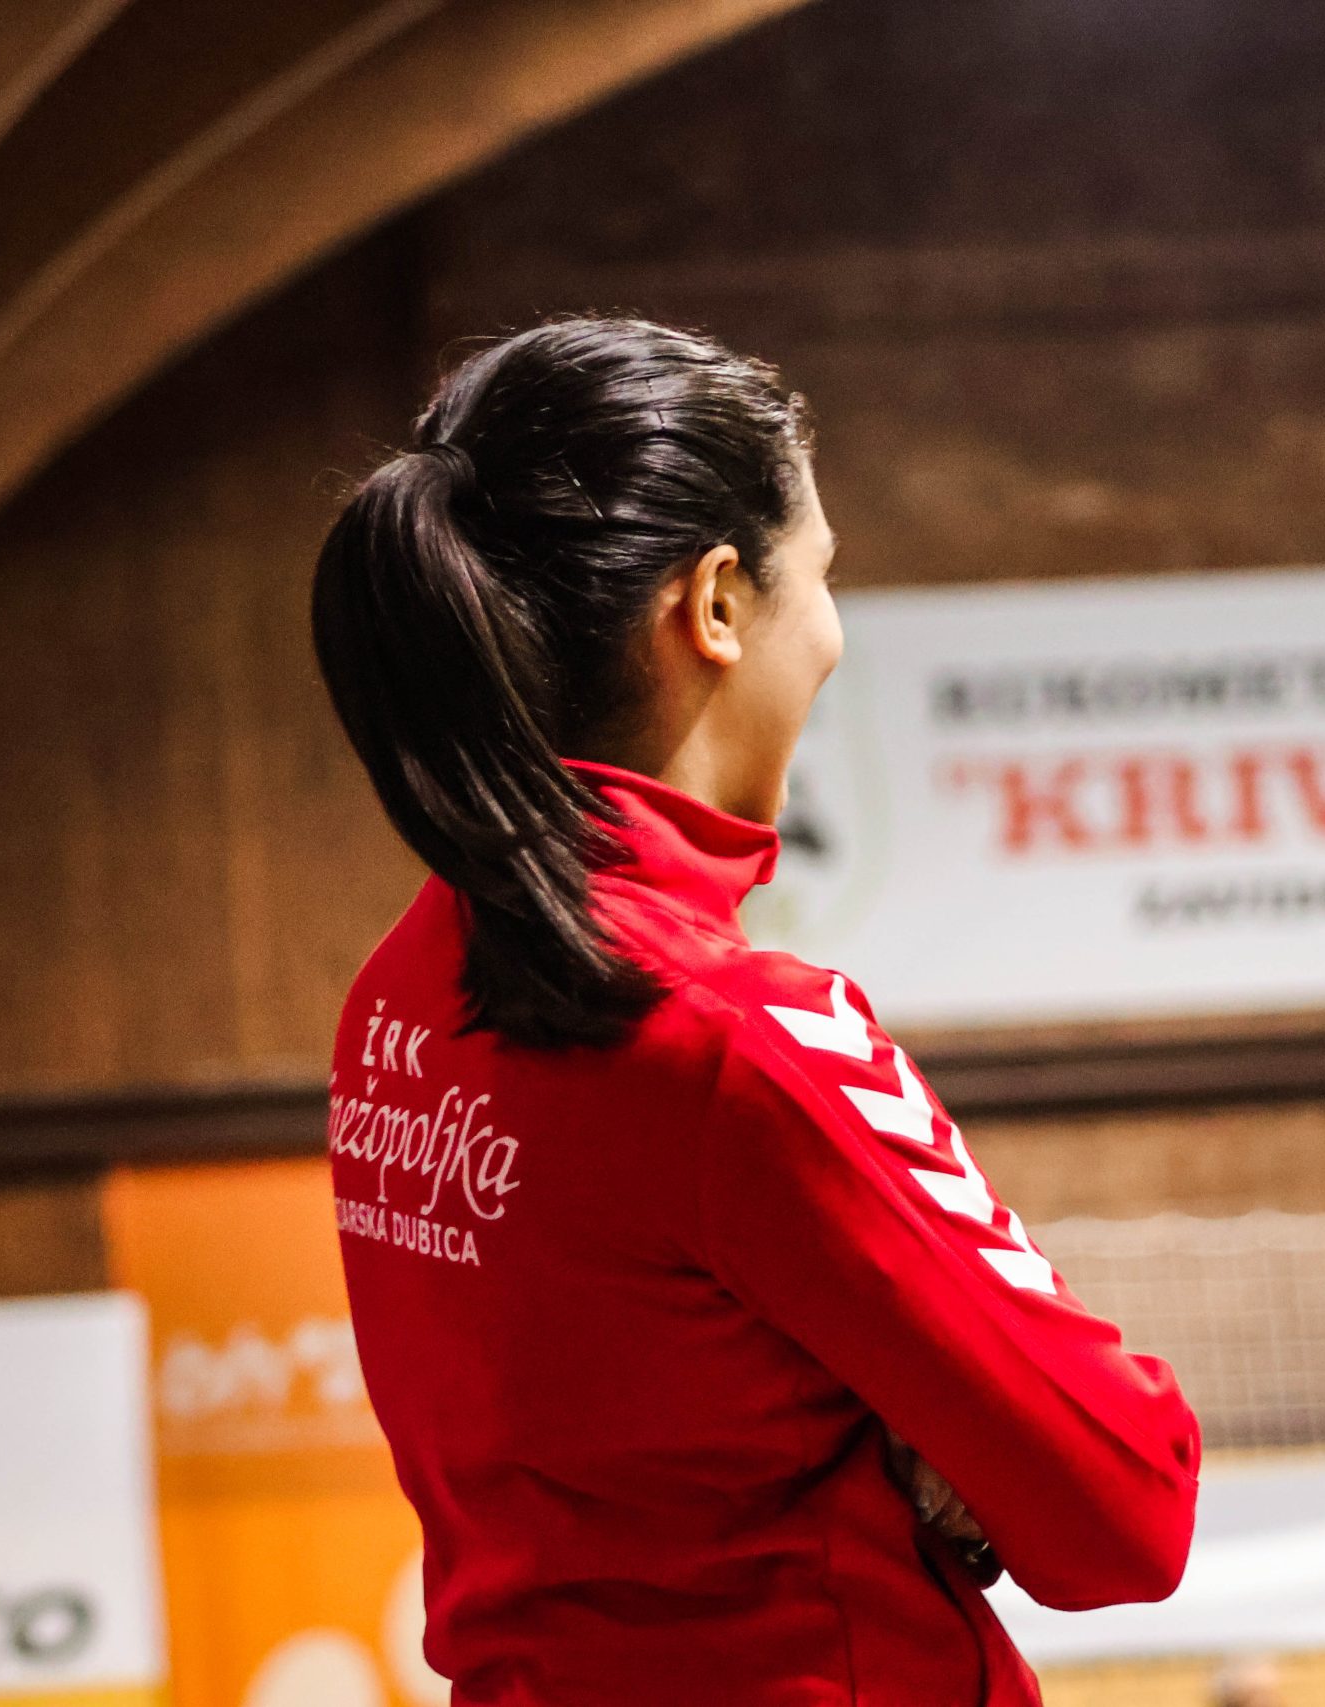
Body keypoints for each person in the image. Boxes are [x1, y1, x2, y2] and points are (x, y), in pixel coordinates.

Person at [313, 317, 1201, 1706]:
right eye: (823, 576)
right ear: (719, 605)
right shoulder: (734, 1041)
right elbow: (1126, 1509)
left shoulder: (401, 990)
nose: (834, 634)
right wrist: (932, 1441)